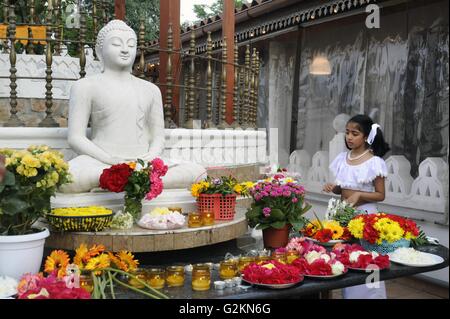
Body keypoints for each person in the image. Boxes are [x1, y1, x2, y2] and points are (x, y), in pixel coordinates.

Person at [59, 20, 206, 193]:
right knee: (67, 179)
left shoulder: (151, 90)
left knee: (198, 173)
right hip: (101, 161)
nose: (124, 49)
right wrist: (109, 159)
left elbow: (158, 137)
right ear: (100, 51)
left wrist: (150, 156)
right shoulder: (85, 86)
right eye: (116, 44)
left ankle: (123, 180)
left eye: (131, 45)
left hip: (143, 161)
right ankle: (136, 180)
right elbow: (76, 138)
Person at [323, 114, 391, 299]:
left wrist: (360, 194)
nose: (349, 137)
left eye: (355, 133)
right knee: (347, 259)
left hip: (366, 218)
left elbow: (380, 194)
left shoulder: (374, 162)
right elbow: (343, 188)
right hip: (345, 216)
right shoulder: (343, 158)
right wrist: (334, 188)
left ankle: (372, 296)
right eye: (347, 133)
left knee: (368, 260)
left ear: (366, 136)